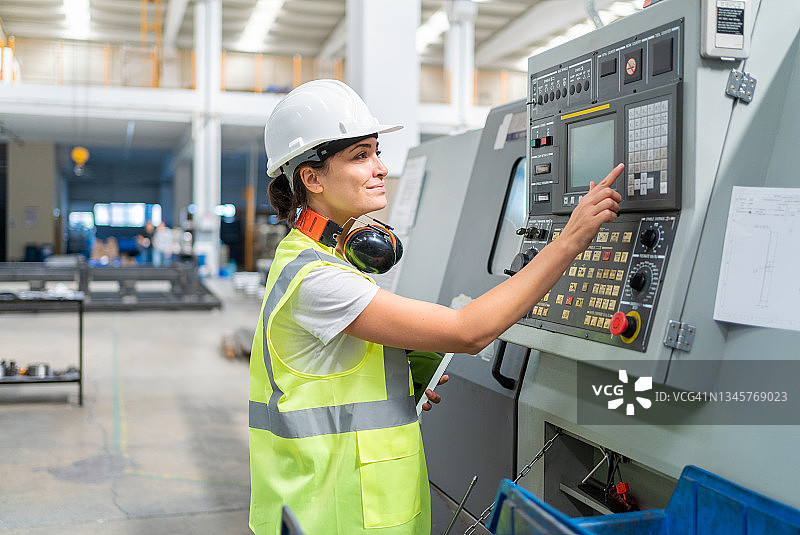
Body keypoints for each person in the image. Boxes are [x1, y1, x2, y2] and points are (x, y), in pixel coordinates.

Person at [249, 79, 623, 534]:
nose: (380, 168)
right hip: (335, 514)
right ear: (312, 177)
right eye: (360, 156)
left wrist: (400, 380)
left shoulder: (320, 258)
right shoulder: (318, 279)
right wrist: (570, 241)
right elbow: (469, 331)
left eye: (377, 152)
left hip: (353, 504)